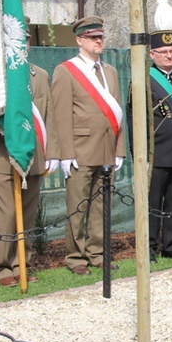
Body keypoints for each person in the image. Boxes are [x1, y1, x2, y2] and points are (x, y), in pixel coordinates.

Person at [0, 23, 59, 286]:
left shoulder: (39, 74)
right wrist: (0, 106)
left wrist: (52, 151)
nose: (22, 45)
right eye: (16, 41)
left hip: (32, 155)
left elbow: (48, 116)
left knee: (27, 214)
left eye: (25, 40)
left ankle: (21, 263)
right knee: (4, 214)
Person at [51, 16, 126, 275]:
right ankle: (75, 257)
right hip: (80, 151)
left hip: (106, 148)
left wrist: (119, 149)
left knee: (101, 206)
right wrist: (65, 153)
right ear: (79, 40)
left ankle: (98, 253)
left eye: (101, 37)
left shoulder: (111, 72)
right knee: (78, 207)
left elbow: (117, 114)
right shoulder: (66, 71)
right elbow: (60, 115)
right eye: (93, 38)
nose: (98, 41)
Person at [128, 29, 172, 262]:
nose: (169, 56)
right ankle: (149, 247)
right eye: (163, 52)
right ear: (152, 54)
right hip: (156, 154)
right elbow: (135, 120)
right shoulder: (143, 80)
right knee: (153, 204)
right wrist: (140, 154)